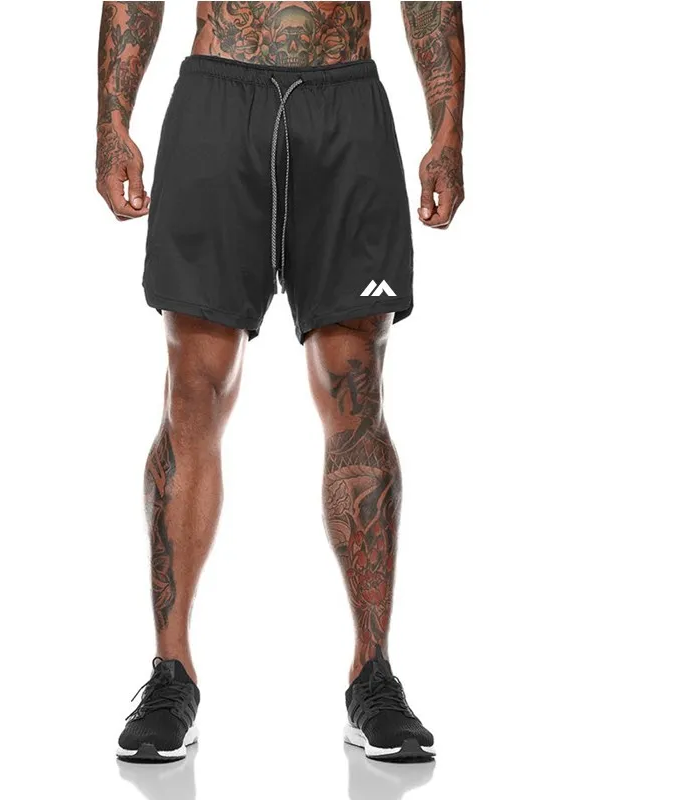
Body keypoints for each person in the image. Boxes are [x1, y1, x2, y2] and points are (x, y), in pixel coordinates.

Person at [97, 1, 464, 764]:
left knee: (354, 387)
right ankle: (171, 673)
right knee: (193, 387)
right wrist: (112, 120)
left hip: (345, 102)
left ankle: (372, 675)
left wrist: (448, 132)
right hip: (216, 97)